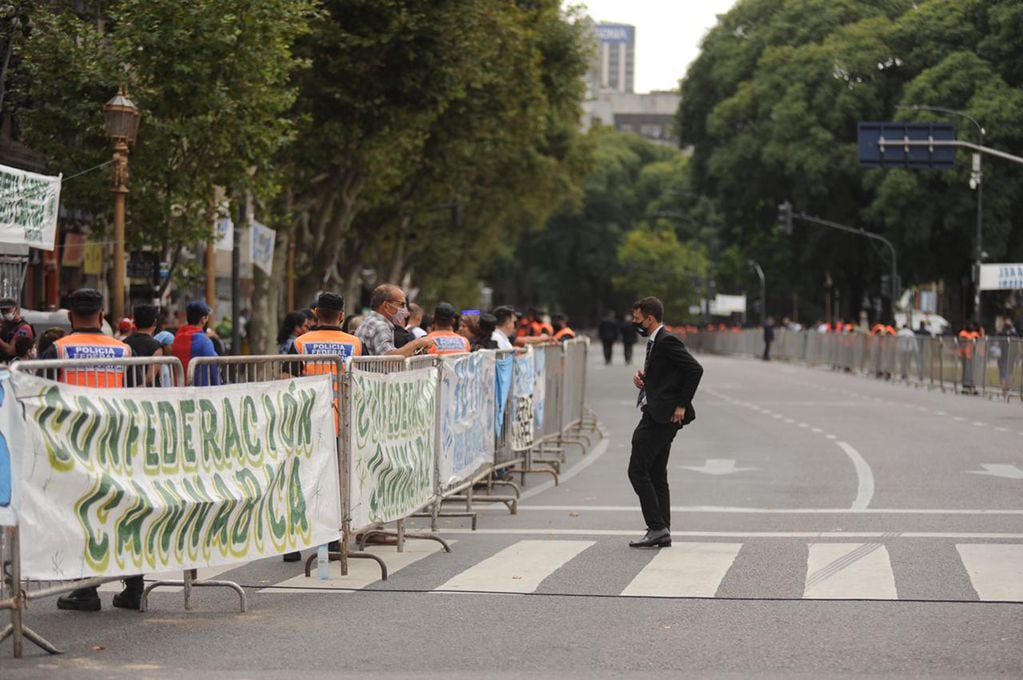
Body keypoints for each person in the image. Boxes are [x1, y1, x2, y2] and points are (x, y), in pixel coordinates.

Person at [45, 288, 142, 611]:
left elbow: (39, 397)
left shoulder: (57, 349)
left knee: (80, 516)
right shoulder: (124, 350)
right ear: (101, 316)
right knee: (122, 514)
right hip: (117, 444)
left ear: (70, 316)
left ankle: (86, 590)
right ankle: (134, 586)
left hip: (72, 447)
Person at [281, 292, 361, 562]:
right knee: (337, 485)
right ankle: (333, 540)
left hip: (309, 424)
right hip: (343, 422)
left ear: (316, 314)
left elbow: (287, 381)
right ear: (341, 315)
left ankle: (293, 543)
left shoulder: (301, 343)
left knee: (303, 481)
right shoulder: (355, 344)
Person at [628, 296, 703, 549]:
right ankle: (662, 528)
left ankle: (657, 526)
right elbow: (669, 375)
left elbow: (695, 369)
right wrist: (645, 381)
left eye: (638, 319)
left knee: (637, 471)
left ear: (650, 318)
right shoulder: (656, 342)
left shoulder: (666, 340)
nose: (635, 323)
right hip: (659, 412)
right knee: (657, 473)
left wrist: (682, 404)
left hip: (661, 416)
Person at [355, 284, 434, 357]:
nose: (406, 312)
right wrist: (418, 343)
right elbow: (389, 359)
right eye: (401, 305)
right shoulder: (380, 326)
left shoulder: (369, 321)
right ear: (386, 306)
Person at [172, 300, 221, 386]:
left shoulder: (177, 337)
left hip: (179, 390)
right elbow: (213, 369)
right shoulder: (204, 341)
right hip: (198, 392)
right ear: (203, 319)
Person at [123, 304, 164, 387]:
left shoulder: (124, 343)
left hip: (126, 391)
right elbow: (150, 378)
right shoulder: (156, 347)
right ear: (154, 322)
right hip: (149, 393)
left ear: (134, 322)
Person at [0, 297, 34, 363]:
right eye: (2, 310)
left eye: (7, 310)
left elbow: (11, 351)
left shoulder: (24, 328)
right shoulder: (5, 323)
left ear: (16, 309)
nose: (4, 313)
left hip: (17, 365)